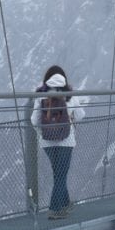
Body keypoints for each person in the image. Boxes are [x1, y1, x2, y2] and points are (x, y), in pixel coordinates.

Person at [31, 65, 84, 220]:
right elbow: (81, 115)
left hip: (47, 143)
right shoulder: (69, 94)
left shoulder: (41, 95)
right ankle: (54, 210)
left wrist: (44, 134)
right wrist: (70, 116)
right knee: (61, 175)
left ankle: (65, 203)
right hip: (66, 141)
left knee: (59, 173)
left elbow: (34, 120)